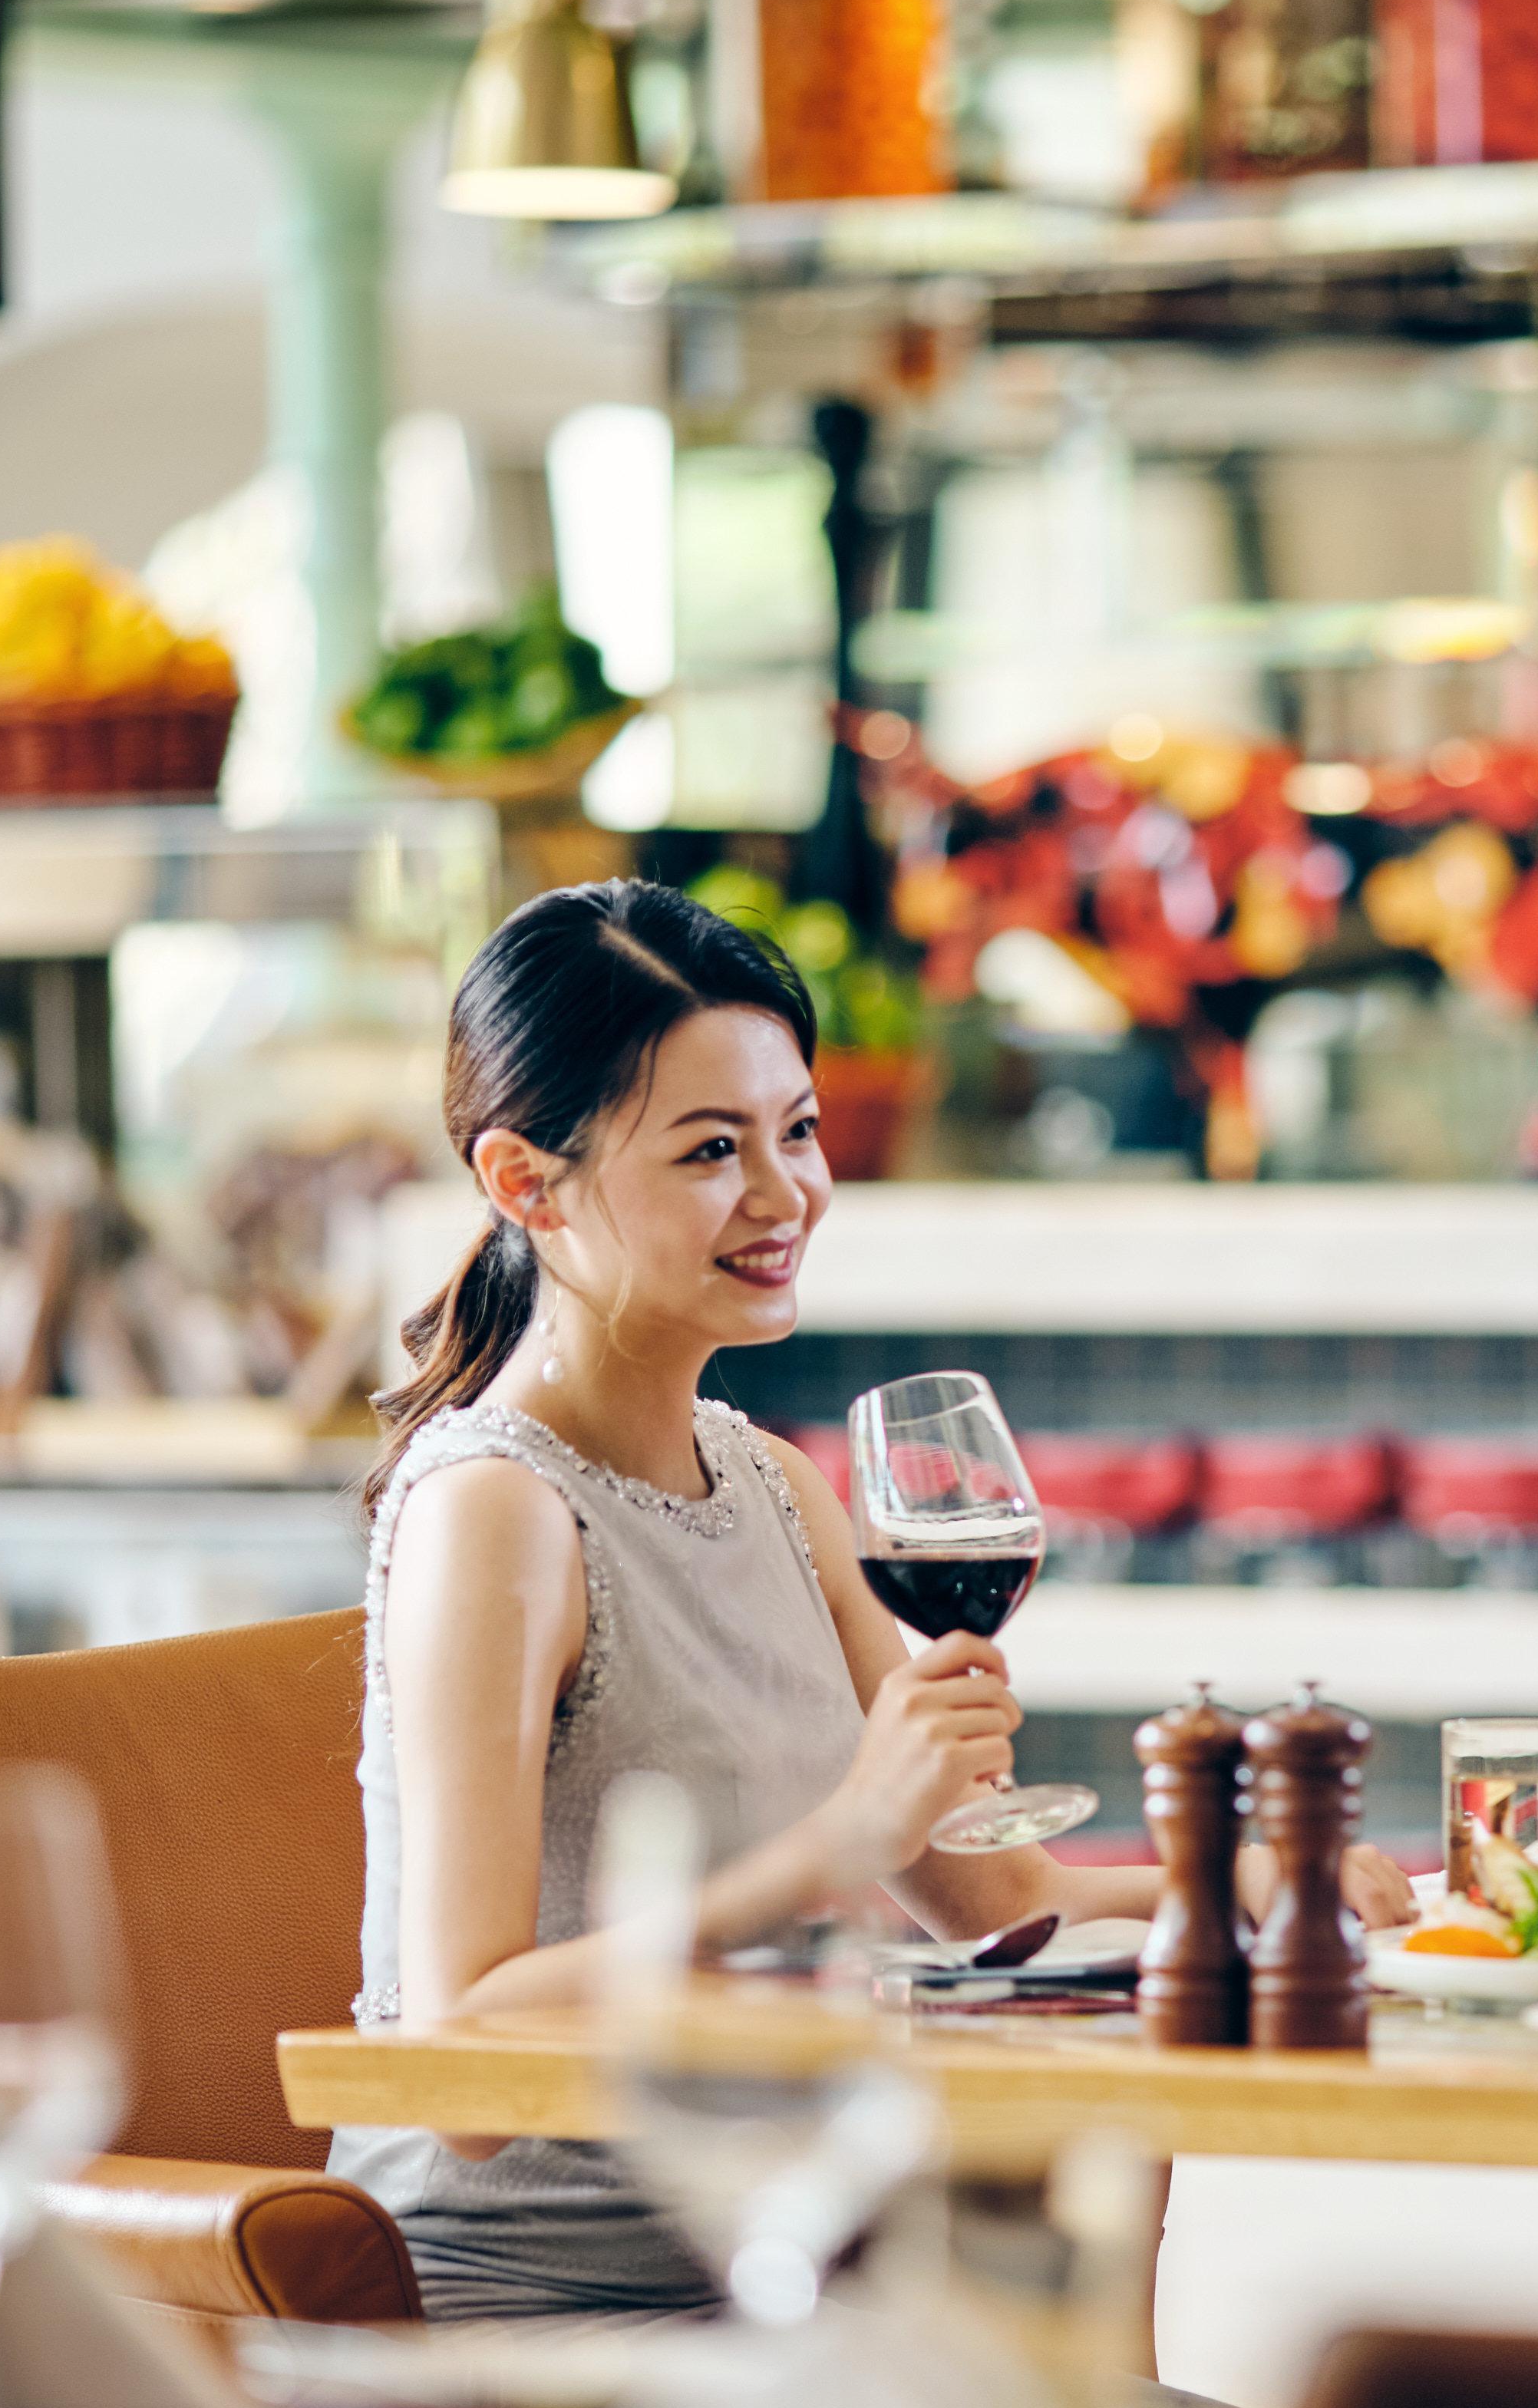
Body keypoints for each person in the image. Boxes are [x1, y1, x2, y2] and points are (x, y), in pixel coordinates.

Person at [337, 879, 1404, 2325]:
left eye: (798, 1130)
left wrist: (1260, 1876)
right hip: (549, 2305)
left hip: (789, 2258)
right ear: (526, 1183)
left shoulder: (774, 1482)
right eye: (713, 1150)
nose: (786, 1197)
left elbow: (990, 1907)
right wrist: (843, 1841)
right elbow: (462, 2047)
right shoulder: (496, 1514)